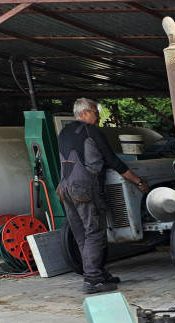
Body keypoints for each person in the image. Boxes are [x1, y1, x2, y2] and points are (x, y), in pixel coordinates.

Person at [58, 98, 149, 293]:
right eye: (95, 112)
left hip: (65, 187)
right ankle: (93, 280)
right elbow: (112, 161)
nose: (98, 117)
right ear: (84, 113)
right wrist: (138, 181)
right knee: (94, 232)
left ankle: (97, 273)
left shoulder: (64, 132)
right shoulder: (91, 131)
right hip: (85, 187)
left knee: (81, 233)